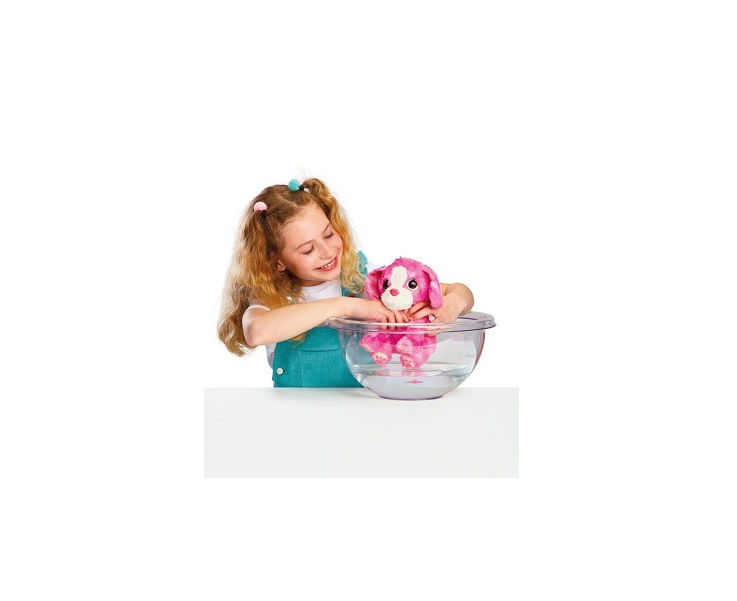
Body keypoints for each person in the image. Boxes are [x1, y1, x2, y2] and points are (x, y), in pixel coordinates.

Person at [217, 177, 475, 387]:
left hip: (360, 415)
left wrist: (454, 303)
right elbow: (256, 331)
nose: (327, 252)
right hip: (298, 418)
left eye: (329, 234)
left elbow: (459, 291)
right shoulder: (274, 298)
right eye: (308, 250)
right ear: (277, 261)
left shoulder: (362, 279)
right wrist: (345, 306)